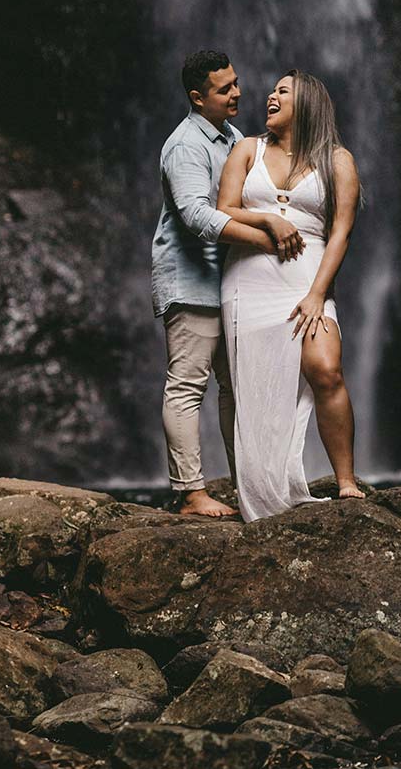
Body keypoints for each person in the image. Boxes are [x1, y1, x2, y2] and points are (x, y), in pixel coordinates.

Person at [152, 49, 305, 519]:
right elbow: (196, 215)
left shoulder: (233, 137)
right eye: (225, 89)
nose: (238, 93)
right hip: (189, 280)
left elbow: (237, 199)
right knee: (187, 385)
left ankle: (250, 486)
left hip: (227, 281)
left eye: (236, 83)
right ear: (198, 98)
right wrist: (265, 232)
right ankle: (189, 493)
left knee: (235, 386)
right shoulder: (186, 146)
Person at [216, 68, 366, 521]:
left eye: (283, 91)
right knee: (255, 388)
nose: (270, 96)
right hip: (247, 281)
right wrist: (268, 220)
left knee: (326, 368)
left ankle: (346, 481)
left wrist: (319, 293)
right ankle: (264, 488)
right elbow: (223, 211)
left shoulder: (338, 160)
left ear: (309, 103)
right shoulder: (247, 150)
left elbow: (340, 233)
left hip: (306, 283)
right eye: (273, 90)